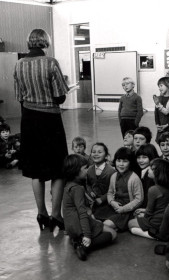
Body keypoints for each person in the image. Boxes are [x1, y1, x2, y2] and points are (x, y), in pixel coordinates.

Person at [14, 29, 69, 231]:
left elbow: (19, 96)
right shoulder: (50, 62)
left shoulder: (19, 64)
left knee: (35, 170)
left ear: (29, 42)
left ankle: (41, 213)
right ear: (45, 42)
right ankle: (56, 214)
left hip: (29, 119)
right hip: (50, 120)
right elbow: (60, 96)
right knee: (58, 168)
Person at [62, 154, 117, 261]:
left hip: (71, 227)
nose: (87, 170)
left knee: (101, 225)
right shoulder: (77, 189)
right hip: (80, 225)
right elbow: (82, 213)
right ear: (75, 171)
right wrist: (87, 235)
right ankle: (83, 245)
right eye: (85, 168)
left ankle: (78, 240)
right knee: (113, 234)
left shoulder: (68, 185)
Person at [128, 158, 169, 239]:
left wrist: (143, 215)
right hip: (168, 221)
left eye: (151, 169)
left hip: (157, 222)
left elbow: (149, 213)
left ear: (159, 173)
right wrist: (144, 210)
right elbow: (161, 207)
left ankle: (155, 234)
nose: (148, 170)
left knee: (130, 223)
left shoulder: (153, 189)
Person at [103, 147, 144, 232]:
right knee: (95, 218)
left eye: (125, 161)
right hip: (114, 206)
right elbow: (110, 193)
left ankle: (118, 226)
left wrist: (123, 209)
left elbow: (139, 199)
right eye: (118, 161)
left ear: (130, 163)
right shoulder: (114, 176)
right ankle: (116, 226)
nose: (121, 164)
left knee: (106, 225)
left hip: (127, 210)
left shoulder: (134, 178)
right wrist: (112, 202)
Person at [86, 142, 116, 220]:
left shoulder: (111, 171)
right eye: (93, 152)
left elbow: (113, 189)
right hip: (93, 201)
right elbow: (87, 184)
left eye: (99, 152)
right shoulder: (89, 169)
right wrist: (90, 191)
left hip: (107, 202)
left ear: (106, 155)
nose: (96, 154)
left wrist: (102, 199)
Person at [154, 76, 169, 143]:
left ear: (168, 84)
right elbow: (156, 113)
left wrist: (167, 125)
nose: (159, 88)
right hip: (161, 128)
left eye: (161, 86)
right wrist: (157, 125)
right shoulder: (158, 98)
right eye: (158, 86)